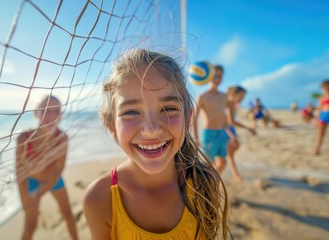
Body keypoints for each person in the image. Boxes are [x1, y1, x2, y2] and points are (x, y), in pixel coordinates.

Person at [83, 49, 229, 239]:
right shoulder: (99, 198)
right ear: (111, 126)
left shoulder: (206, 182)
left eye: (168, 108)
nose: (151, 130)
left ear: (188, 117)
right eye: (131, 112)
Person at [16, 96, 79, 240]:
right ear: (35, 113)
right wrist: (25, 199)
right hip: (32, 181)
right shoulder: (23, 139)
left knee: (68, 213)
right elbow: (20, 173)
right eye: (45, 110)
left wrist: (40, 193)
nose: (50, 115)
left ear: (60, 116)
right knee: (30, 226)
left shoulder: (62, 138)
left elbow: (58, 169)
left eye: (56, 111)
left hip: (53, 179)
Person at [192, 64, 237, 175]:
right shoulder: (202, 96)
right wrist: (196, 138)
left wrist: (231, 135)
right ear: (209, 76)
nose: (218, 78)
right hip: (208, 134)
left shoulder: (224, 96)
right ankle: (206, 185)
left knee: (222, 163)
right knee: (207, 165)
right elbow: (194, 119)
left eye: (220, 76)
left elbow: (224, 120)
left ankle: (214, 185)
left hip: (221, 133)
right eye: (215, 75)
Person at [226, 86, 256, 182]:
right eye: (241, 96)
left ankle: (235, 174)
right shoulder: (228, 103)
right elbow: (231, 121)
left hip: (230, 129)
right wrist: (248, 128)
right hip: (226, 130)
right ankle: (235, 175)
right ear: (234, 93)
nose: (242, 99)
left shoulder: (233, 104)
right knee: (229, 153)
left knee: (230, 153)